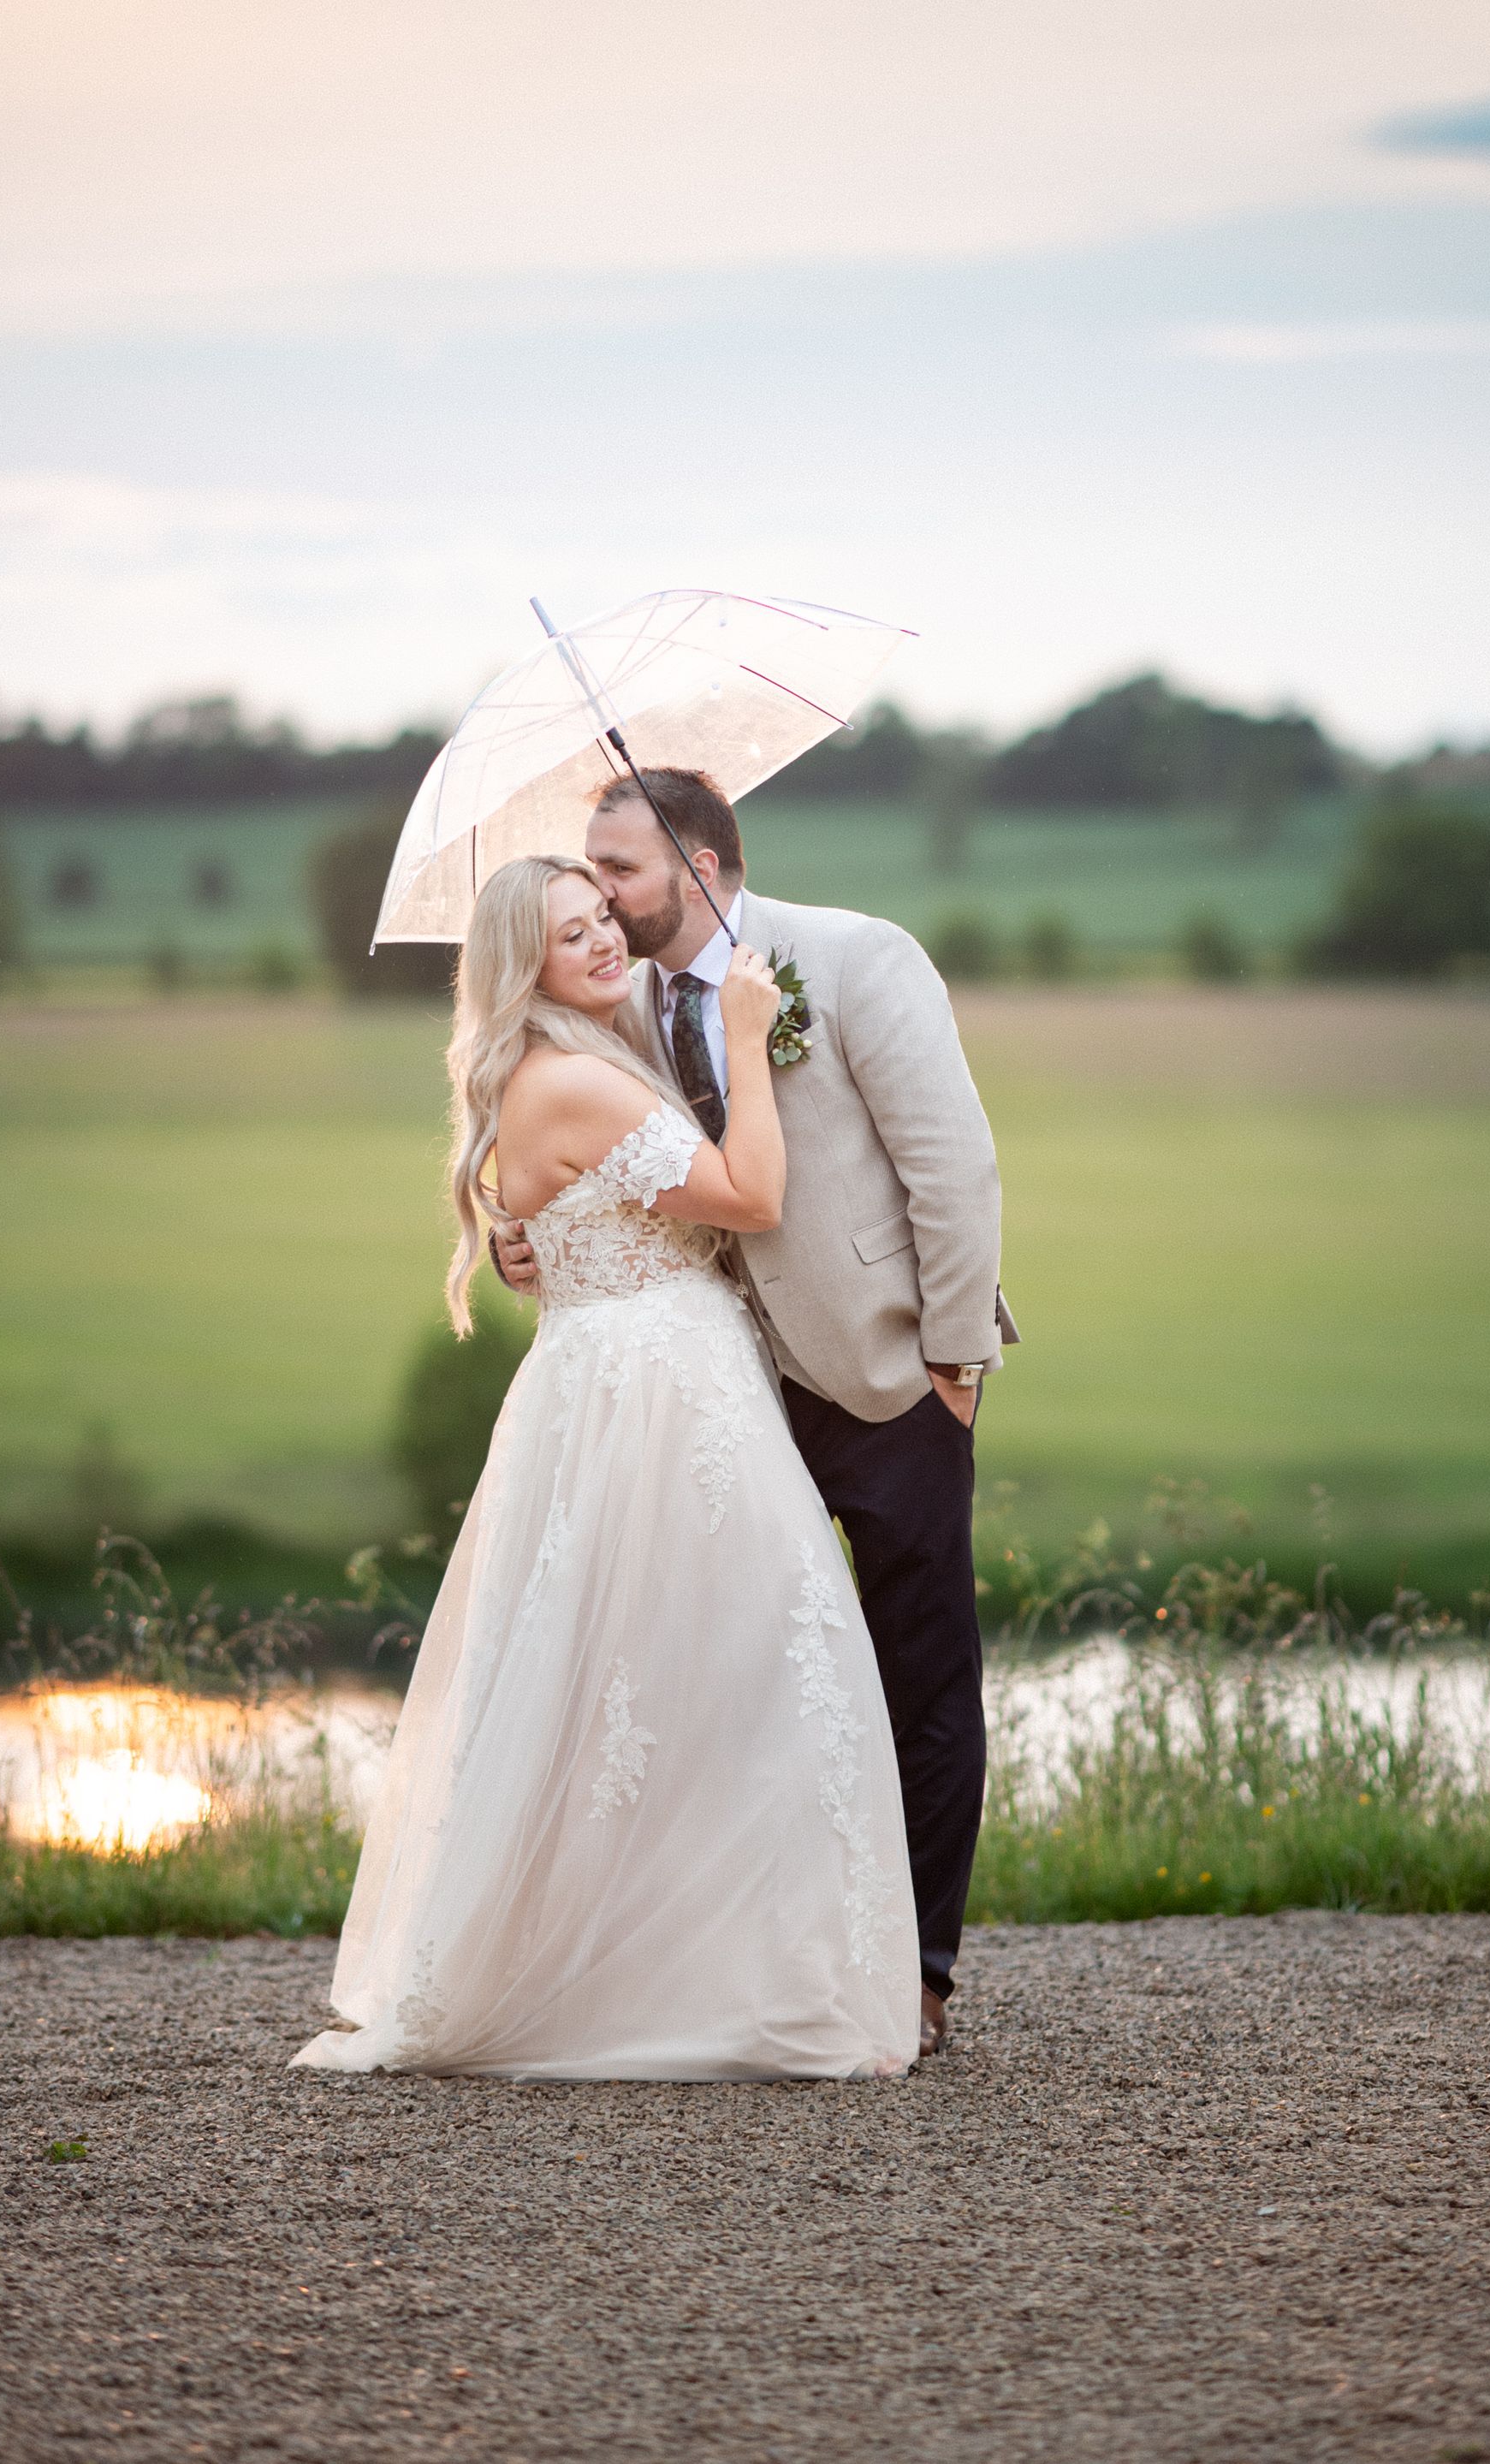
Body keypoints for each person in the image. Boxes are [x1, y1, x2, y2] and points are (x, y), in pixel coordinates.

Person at [293, 853, 921, 2081]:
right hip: (658, 1401)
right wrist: (751, 1040)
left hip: (644, 1381)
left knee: (672, 1678)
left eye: (600, 918)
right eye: (568, 934)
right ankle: (689, 1984)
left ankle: (706, 1963)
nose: (600, 942)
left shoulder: (585, 1055)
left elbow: (579, 1214)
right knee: (741, 1665)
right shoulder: (573, 1081)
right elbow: (749, 1195)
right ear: (522, 967)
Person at [494, 771, 1015, 2057]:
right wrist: (531, 1237)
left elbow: (954, 1167)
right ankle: (767, 1953)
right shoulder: (617, 1007)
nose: (601, 896)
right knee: (754, 1677)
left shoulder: (855, 960)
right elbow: (608, 1172)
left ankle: (920, 1974)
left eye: (619, 869)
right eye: (590, 872)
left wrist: (953, 1363)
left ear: (702, 863)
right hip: (722, 1388)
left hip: (886, 1376)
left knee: (920, 1673)